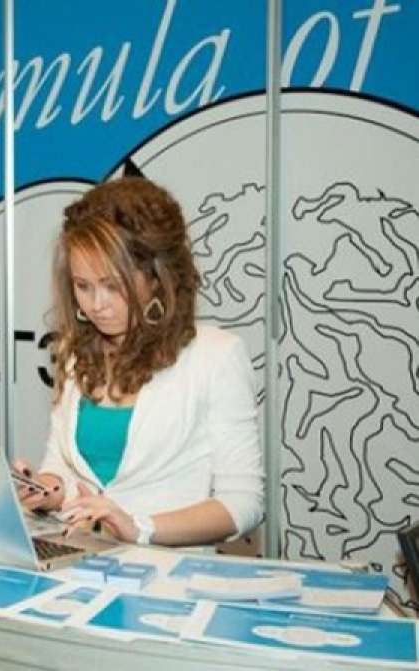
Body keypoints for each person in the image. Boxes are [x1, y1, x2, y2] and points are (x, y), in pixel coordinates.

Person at [14, 177, 263, 546]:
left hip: (170, 574)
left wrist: (138, 527)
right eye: (83, 286)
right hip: (80, 562)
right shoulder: (75, 353)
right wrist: (46, 489)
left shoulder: (216, 357)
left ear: (157, 278)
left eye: (112, 286)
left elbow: (243, 503)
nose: (96, 304)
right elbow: (62, 467)